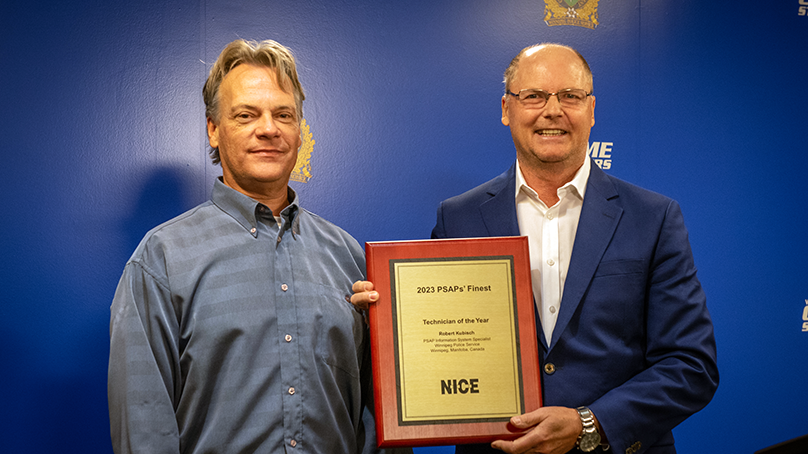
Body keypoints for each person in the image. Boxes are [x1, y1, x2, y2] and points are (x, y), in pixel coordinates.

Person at [352, 43, 718, 454]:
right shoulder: (459, 217)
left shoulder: (653, 217)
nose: (553, 110)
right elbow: (442, 344)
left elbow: (691, 365)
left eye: (570, 96)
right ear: (507, 109)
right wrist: (389, 325)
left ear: (592, 110)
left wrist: (589, 425)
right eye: (534, 96)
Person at [109, 39, 392, 454]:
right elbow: (144, 423)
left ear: (299, 130)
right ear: (213, 129)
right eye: (246, 115)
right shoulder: (162, 258)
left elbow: (376, 415)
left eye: (284, 115)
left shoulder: (346, 255)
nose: (269, 128)